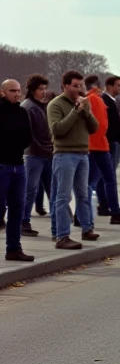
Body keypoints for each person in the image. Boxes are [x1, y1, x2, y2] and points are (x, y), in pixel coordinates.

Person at [47, 70, 100, 249]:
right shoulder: (56, 105)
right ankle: (62, 235)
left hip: (83, 154)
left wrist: (85, 111)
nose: (79, 89)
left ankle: (87, 228)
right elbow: (58, 130)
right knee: (63, 197)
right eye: (75, 86)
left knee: (83, 194)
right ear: (65, 86)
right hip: (64, 154)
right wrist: (75, 111)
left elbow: (94, 128)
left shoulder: (83, 103)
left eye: (81, 86)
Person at [85, 75, 120, 226]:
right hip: (102, 144)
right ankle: (112, 211)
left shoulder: (91, 99)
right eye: (118, 85)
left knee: (95, 180)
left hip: (98, 144)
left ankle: (104, 209)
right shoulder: (97, 99)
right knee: (104, 179)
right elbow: (103, 124)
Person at [1, 78, 34, 262]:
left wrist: (18, 142)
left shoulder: (21, 112)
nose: (17, 94)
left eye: (18, 90)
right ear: (3, 92)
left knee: (17, 208)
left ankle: (13, 248)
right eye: (12, 90)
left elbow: (27, 136)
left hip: (18, 165)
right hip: (2, 164)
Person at [20, 74, 50, 238]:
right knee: (30, 190)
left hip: (46, 154)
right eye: (40, 89)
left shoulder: (40, 105)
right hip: (34, 155)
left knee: (53, 190)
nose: (43, 92)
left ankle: (60, 225)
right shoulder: (28, 106)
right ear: (32, 90)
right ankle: (23, 222)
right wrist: (46, 148)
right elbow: (30, 135)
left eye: (45, 89)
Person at [96, 74, 120, 215]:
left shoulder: (111, 101)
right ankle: (105, 203)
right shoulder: (105, 101)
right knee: (107, 175)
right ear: (109, 86)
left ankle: (107, 203)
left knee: (107, 175)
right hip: (109, 142)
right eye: (118, 85)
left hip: (112, 141)